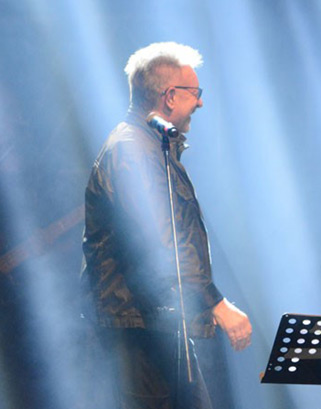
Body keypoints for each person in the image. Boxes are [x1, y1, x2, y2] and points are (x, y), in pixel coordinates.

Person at [81, 42, 252, 409]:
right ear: (170, 96)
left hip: (158, 325)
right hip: (135, 330)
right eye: (196, 93)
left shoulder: (150, 147)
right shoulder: (131, 151)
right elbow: (159, 244)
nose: (201, 103)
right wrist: (216, 303)